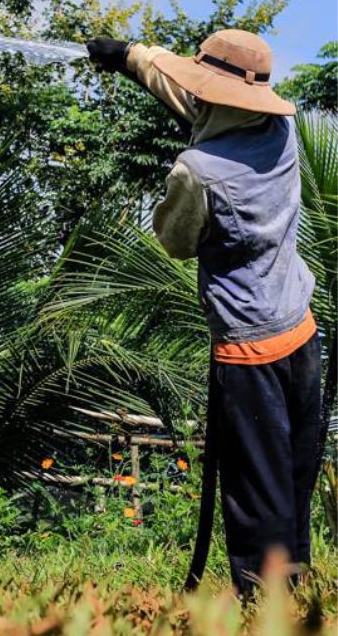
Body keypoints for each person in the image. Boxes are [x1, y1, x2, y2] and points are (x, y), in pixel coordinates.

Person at [86, 30, 321, 594]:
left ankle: (265, 604)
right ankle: (298, 582)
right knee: (291, 475)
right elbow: (196, 99)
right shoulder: (279, 131)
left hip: (248, 351)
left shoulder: (197, 170)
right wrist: (130, 59)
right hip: (301, 331)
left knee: (253, 484)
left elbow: (176, 240)